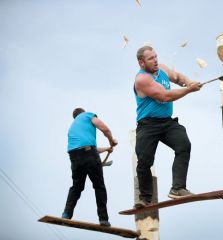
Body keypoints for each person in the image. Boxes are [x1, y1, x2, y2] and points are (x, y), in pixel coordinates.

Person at [133, 46, 202, 208]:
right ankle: (145, 198)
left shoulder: (161, 69)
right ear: (141, 63)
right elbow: (165, 96)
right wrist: (189, 90)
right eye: (151, 59)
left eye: (156, 56)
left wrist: (188, 81)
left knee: (184, 145)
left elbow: (177, 77)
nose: (155, 60)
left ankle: (178, 188)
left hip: (166, 122)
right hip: (148, 125)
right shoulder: (142, 79)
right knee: (144, 161)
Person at [62, 108, 117, 226]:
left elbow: (90, 148)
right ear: (83, 112)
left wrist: (107, 148)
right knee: (99, 186)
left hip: (75, 156)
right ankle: (103, 219)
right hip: (89, 154)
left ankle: (66, 213)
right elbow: (105, 129)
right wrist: (111, 141)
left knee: (76, 187)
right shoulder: (88, 116)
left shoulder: (72, 128)